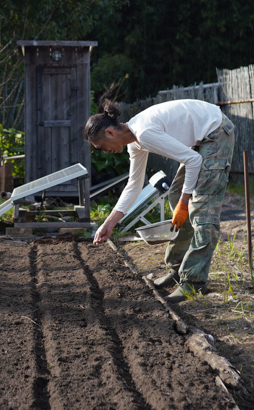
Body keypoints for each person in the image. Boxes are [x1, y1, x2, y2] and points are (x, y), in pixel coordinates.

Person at [85, 98, 235, 302]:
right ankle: (178, 268)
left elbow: (193, 160)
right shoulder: (135, 143)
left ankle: (193, 283)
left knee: (202, 210)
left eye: (101, 146)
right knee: (175, 193)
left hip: (216, 132)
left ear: (110, 132)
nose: (104, 151)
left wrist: (184, 203)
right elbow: (134, 185)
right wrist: (108, 223)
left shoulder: (144, 133)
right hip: (201, 138)